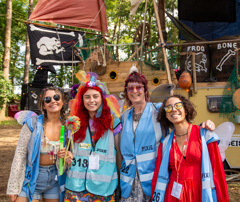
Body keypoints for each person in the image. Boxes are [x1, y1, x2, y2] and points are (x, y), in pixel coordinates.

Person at [120, 70, 216, 201]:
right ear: (126, 92)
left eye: (139, 87)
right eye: (130, 88)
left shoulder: (158, 110)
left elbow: (180, 123)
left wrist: (204, 125)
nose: (134, 90)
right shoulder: (124, 116)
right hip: (129, 183)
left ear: (145, 90)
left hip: (154, 179)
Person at [151, 94, 229, 202]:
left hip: (201, 193)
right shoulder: (164, 144)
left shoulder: (205, 136)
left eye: (178, 106)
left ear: (186, 110)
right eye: (168, 108)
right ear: (166, 115)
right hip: (174, 196)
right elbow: (157, 178)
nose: (173, 110)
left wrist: (223, 199)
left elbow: (218, 173)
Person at [62, 71, 122, 202]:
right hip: (76, 187)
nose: (91, 100)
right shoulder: (74, 122)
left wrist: (120, 181)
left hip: (104, 188)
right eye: (87, 97)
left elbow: (119, 153)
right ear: (82, 100)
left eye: (95, 96)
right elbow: (68, 150)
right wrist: (67, 155)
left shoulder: (113, 122)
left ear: (102, 98)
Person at [7, 86, 67, 202]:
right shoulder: (32, 124)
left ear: (62, 101)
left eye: (56, 97)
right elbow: (19, 154)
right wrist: (13, 187)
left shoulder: (69, 127)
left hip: (55, 180)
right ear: (43, 105)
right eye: (47, 100)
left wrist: (66, 156)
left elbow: (73, 154)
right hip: (31, 178)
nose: (53, 101)